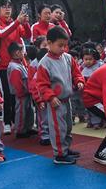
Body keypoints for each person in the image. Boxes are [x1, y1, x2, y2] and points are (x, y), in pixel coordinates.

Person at [34, 27, 85, 165]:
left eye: (65, 45)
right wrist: (50, 97)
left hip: (67, 99)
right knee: (58, 128)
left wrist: (79, 81)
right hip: (55, 102)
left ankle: (66, 148)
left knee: (68, 126)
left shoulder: (68, 58)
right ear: (49, 43)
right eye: (60, 45)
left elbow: (76, 72)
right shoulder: (44, 63)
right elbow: (42, 84)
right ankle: (59, 154)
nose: (63, 48)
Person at [0, 0, 32, 135]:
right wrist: (17, 23)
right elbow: (1, 33)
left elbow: (27, 35)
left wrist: (25, 23)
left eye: (9, 6)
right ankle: (7, 122)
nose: (7, 9)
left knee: (22, 93)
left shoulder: (16, 23)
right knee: (7, 94)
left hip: (19, 63)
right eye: (4, 7)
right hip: (3, 64)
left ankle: (20, 122)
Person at [7, 42, 35, 138]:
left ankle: (28, 127)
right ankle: (20, 130)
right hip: (22, 94)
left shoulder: (20, 63)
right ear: (17, 53)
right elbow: (17, 83)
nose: (24, 53)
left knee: (29, 111)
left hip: (26, 93)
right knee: (21, 112)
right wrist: (21, 92)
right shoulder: (14, 67)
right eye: (22, 51)